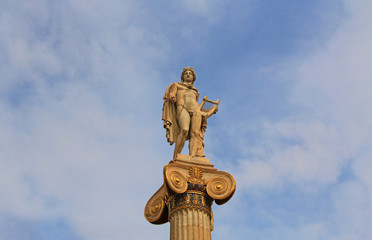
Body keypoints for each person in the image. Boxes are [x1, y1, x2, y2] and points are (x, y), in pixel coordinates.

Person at [162, 67, 207, 158]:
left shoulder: (195, 91)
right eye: (186, 73)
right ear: (182, 76)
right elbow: (171, 95)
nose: (188, 74)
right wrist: (172, 96)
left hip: (195, 110)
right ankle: (176, 156)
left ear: (193, 77)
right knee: (185, 130)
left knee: (195, 133)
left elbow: (196, 104)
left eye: (190, 73)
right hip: (182, 108)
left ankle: (192, 157)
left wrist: (208, 111)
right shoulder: (176, 85)